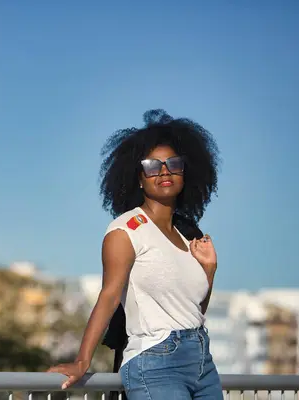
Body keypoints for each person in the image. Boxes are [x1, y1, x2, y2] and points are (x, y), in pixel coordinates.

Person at [47, 109, 222, 399]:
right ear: (139, 178)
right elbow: (109, 294)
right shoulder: (126, 230)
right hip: (156, 361)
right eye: (152, 166)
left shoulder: (187, 235)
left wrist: (209, 269)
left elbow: (192, 311)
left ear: (184, 172)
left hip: (203, 362)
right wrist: (82, 360)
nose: (164, 171)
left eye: (173, 164)